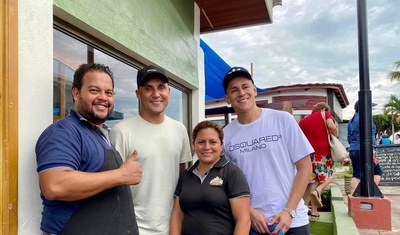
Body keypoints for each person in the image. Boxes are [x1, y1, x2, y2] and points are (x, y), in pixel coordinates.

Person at [36, 63, 142, 235]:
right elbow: (54, 185)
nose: (103, 97)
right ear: (76, 93)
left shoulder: (101, 133)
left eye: (108, 93)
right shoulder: (64, 131)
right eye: (94, 90)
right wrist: (121, 175)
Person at [221, 66, 314, 235]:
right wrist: (248, 211)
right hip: (252, 224)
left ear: (255, 90)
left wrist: (289, 211)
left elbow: (305, 167)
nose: (241, 93)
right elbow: (226, 183)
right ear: (228, 98)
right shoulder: (225, 135)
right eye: (234, 90)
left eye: (245, 86)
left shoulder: (282, 120)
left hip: (292, 222)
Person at [109, 65, 192, 235]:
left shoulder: (179, 129)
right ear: (138, 94)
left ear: (168, 91)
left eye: (161, 87)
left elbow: (183, 176)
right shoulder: (121, 131)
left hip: (173, 226)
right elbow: (112, 182)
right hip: (134, 228)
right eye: (148, 88)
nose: (156, 94)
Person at [169, 120, 251, 235]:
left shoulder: (232, 173)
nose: (207, 147)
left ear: (221, 145)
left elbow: (244, 221)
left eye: (213, 142)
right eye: (201, 142)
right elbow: (177, 216)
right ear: (194, 145)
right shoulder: (186, 175)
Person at [298, 102, 338, 222]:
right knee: (332, 174)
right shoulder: (325, 114)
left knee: (313, 181)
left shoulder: (303, 121)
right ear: (324, 109)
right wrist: (335, 134)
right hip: (322, 152)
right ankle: (318, 190)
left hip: (307, 154)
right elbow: (331, 126)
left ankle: (314, 213)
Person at [347, 100, 383, 194]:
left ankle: (353, 195)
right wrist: (371, 152)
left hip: (353, 149)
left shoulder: (351, 120)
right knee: (377, 172)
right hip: (365, 149)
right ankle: (368, 192)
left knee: (357, 174)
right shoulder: (365, 118)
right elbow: (369, 136)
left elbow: (349, 138)